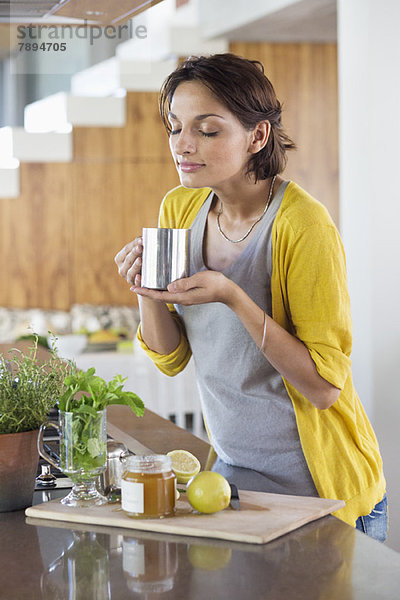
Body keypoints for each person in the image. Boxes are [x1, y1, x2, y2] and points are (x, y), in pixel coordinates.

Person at [115, 53, 387, 541]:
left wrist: (232, 297)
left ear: (257, 136)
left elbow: (325, 388)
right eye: (175, 127)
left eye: (208, 130)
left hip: (321, 491)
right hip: (234, 484)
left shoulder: (303, 225)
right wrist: (146, 292)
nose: (183, 145)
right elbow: (171, 358)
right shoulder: (180, 207)